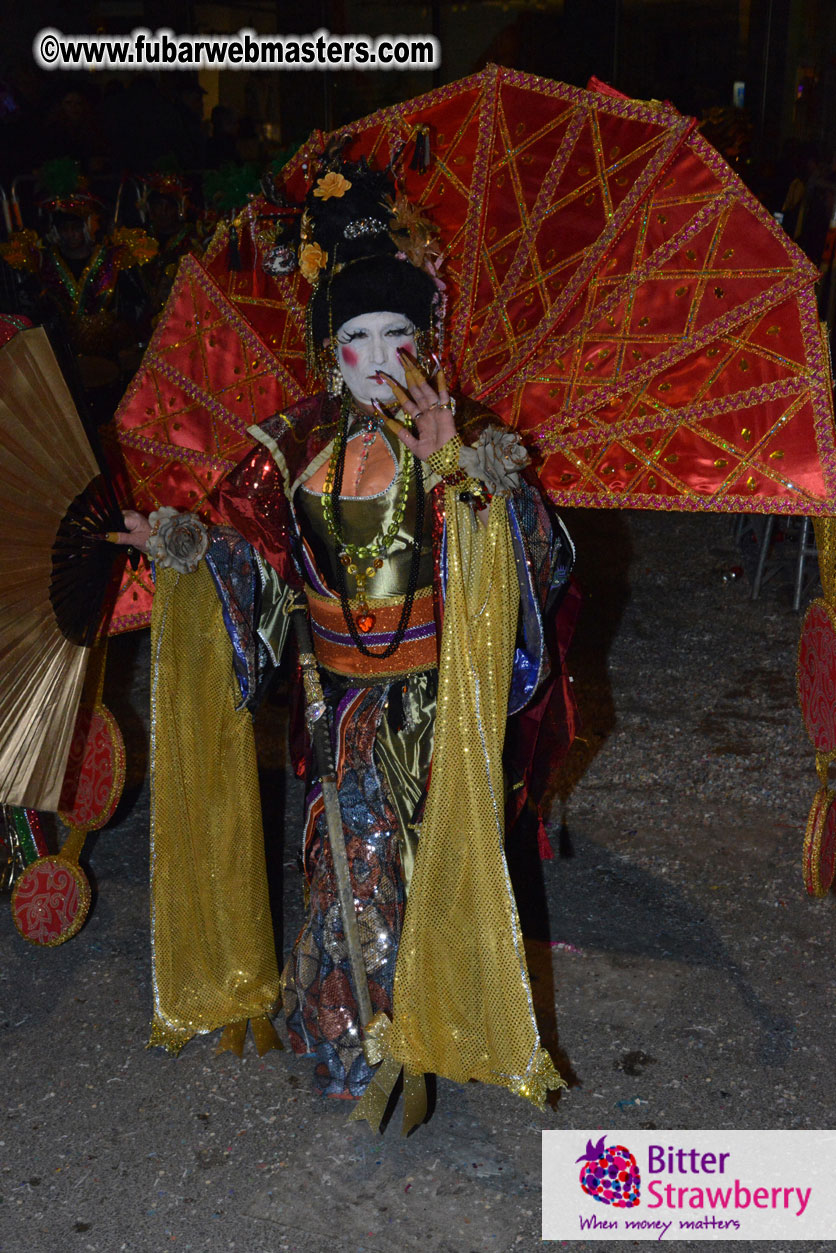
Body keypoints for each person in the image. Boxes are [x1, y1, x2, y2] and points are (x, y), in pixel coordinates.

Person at [115, 155, 575, 1111]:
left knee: (427, 864)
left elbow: (532, 559)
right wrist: (186, 547)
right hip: (339, 703)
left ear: (426, 341)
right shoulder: (293, 443)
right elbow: (255, 558)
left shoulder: (463, 433)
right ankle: (357, 1037)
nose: (379, 357)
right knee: (347, 865)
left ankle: (426, 1030)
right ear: (331, 351)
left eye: (397, 334)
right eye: (357, 337)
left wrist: (465, 478)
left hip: (434, 705)